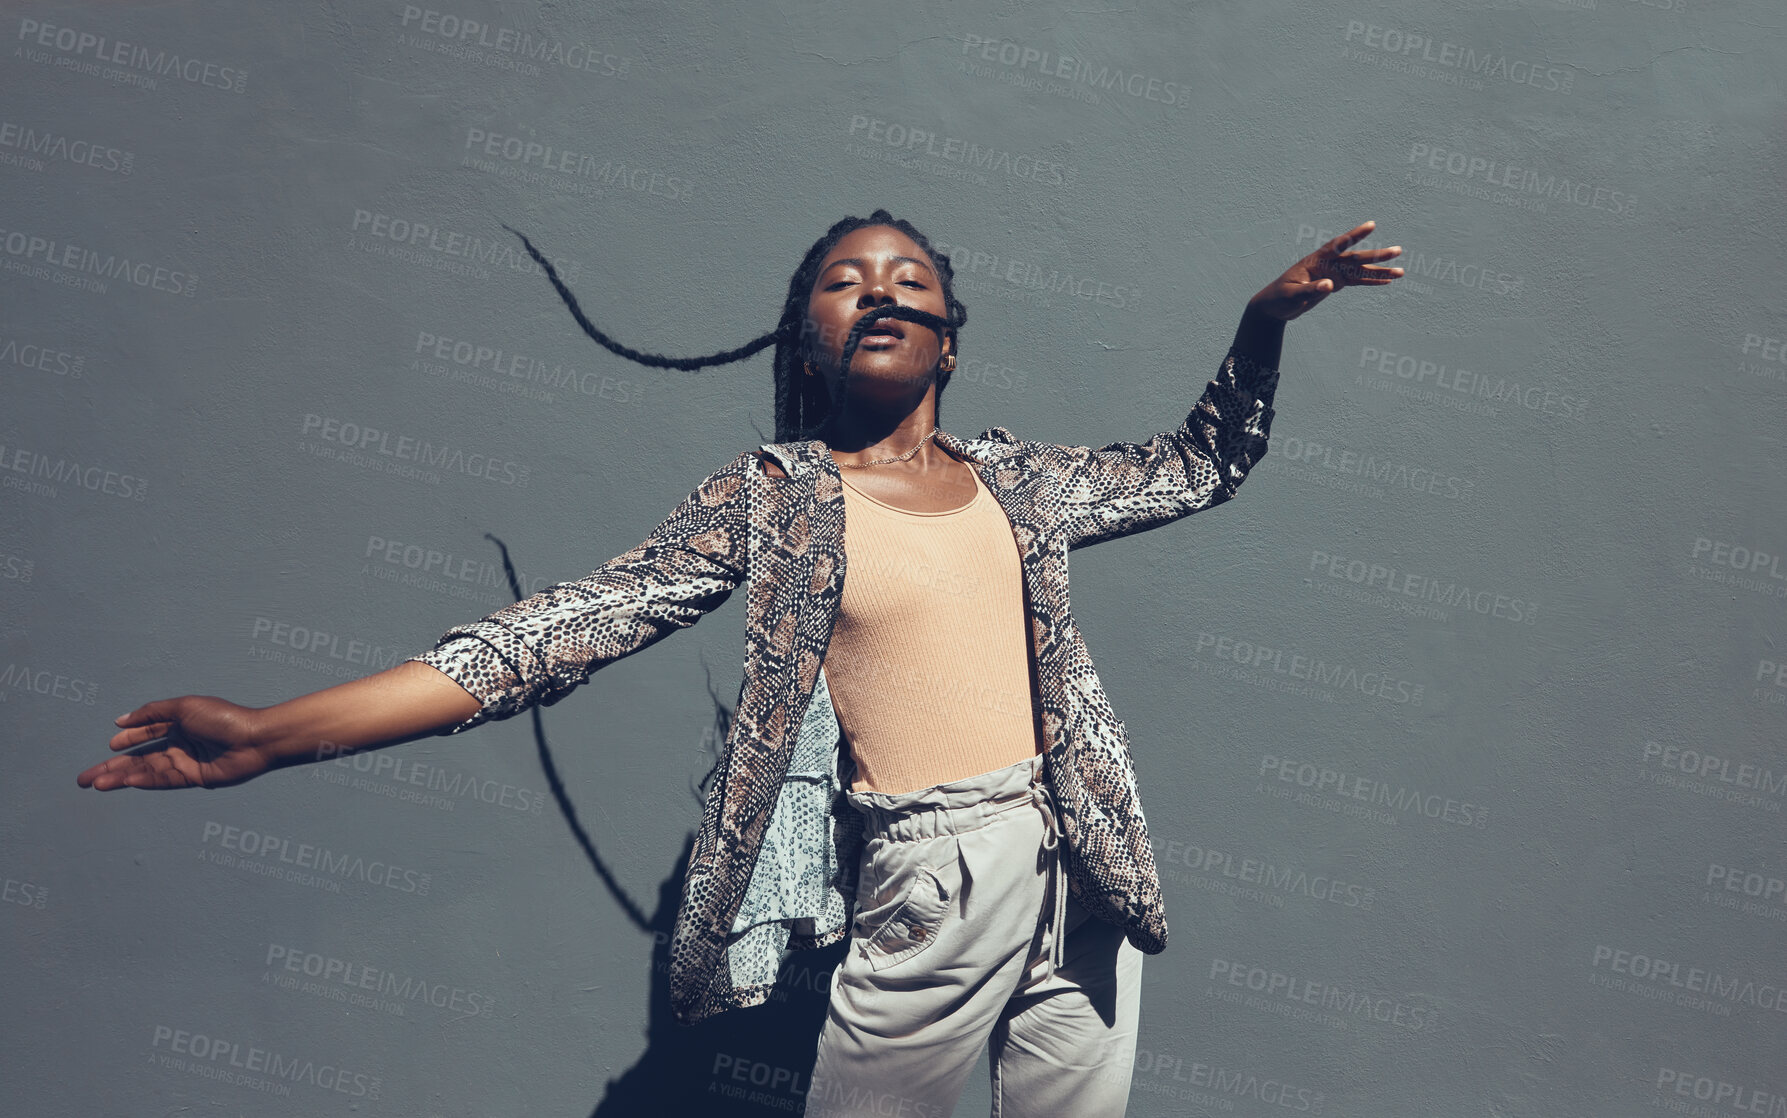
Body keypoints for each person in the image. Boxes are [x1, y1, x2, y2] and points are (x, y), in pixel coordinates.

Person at [78, 209, 1402, 1117]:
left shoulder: (1026, 481)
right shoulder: (771, 501)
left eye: (905, 278)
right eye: (842, 278)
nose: (877, 286)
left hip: (1085, 873)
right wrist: (274, 733)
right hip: (925, 881)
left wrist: (1261, 324)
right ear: (803, 337)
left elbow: (1200, 465)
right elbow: (553, 633)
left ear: (951, 335)